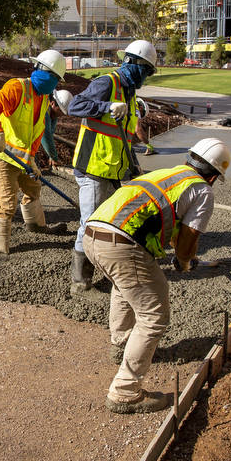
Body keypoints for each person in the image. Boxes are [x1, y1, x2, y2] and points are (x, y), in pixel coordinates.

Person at [83, 138, 231, 414]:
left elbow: (166, 224)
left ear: (191, 159)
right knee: (154, 316)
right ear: (213, 176)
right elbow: (188, 238)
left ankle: (122, 345)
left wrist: (182, 252)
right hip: (123, 244)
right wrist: (185, 261)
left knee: (124, 286)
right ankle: (125, 393)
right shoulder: (201, 190)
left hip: (94, 234)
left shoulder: (166, 174)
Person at [67, 39, 158, 293]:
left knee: (113, 223)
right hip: (93, 168)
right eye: (147, 71)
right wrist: (106, 106)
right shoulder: (107, 83)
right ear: (134, 63)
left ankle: (107, 268)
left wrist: (134, 165)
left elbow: (124, 138)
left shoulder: (130, 95)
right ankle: (80, 282)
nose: (147, 77)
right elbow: (75, 106)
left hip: (114, 170)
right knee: (90, 224)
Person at [0, 50, 67, 253]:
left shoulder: (44, 99)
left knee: (33, 188)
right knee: (8, 203)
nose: (53, 83)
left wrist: (32, 161)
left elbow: (36, 134)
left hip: (21, 157)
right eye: (53, 77)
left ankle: (36, 226)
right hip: (1, 154)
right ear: (41, 71)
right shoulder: (17, 87)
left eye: (56, 80)